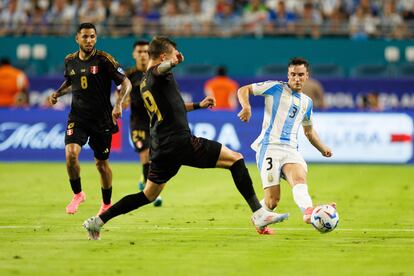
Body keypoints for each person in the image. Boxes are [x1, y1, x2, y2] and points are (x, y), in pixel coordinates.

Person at [83, 36, 288, 240]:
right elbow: (159, 69)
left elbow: (176, 107)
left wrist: (199, 105)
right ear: (164, 56)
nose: (176, 57)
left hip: (161, 146)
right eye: (172, 54)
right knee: (236, 159)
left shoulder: (145, 81)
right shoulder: (157, 73)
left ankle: (99, 221)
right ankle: (259, 213)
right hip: (178, 142)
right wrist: (172, 62)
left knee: (148, 195)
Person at [237, 57, 334, 226]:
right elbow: (243, 89)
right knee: (273, 201)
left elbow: (309, 131)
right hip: (269, 148)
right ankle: (259, 217)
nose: (297, 78)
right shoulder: (275, 87)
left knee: (299, 179)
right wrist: (246, 107)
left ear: (307, 76)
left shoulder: (307, 102)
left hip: (290, 149)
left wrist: (322, 148)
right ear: (288, 75)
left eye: (301, 75)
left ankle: (309, 212)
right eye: (293, 74)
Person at [47, 23, 132, 216]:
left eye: (92, 36)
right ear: (77, 38)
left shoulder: (104, 59)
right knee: (70, 155)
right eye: (85, 37)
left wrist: (119, 103)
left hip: (101, 120)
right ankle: (78, 194)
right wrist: (58, 93)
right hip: (77, 117)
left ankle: (106, 203)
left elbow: (126, 82)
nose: (89, 40)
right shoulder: (70, 60)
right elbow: (71, 81)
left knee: (101, 165)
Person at [121, 40, 162, 206]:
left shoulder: (156, 73)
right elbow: (122, 96)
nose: (143, 54)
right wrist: (122, 101)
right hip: (138, 123)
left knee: (153, 158)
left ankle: (145, 179)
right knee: (145, 154)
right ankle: (151, 192)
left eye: (146, 51)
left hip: (156, 122)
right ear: (134, 54)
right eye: (139, 51)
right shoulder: (129, 76)